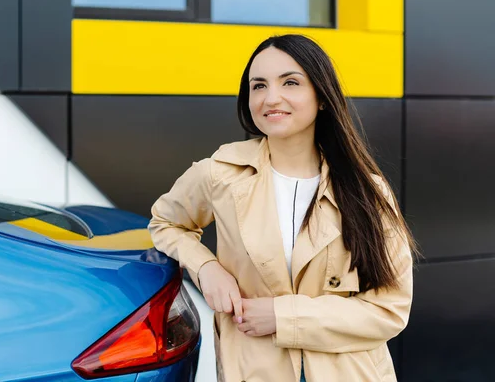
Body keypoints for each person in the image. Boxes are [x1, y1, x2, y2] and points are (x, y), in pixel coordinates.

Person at [148, 34, 416, 382]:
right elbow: (165, 222)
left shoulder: (367, 190)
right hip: (255, 370)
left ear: (321, 96)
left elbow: (390, 309)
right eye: (258, 86)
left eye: (290, 82)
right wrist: (205, 267)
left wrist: (283, 317)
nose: (271, 98)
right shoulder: (220, 173)